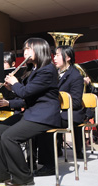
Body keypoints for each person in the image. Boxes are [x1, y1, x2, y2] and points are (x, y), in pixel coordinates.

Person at [0, 38, 61, 186]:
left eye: (29, 49)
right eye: (24, 49)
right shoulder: (33, 70)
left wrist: (15, 83)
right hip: (32, 113)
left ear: (40, 50)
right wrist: (11, 89)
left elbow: (25, 92)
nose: (25, 52)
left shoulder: (47, 70)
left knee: (9, 137)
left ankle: (23, 176)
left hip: (44, 116)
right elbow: (26, 96)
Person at [35, 45, 85, 176]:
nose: (54, 58)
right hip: (56, 112)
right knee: (34, 121)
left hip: (70, 115)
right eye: (54, 55)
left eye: (57, 55)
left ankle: (49, 165)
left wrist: (53, 105)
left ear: (67, 57)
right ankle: (33, 159)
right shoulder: (54, 73)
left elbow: (75, 102)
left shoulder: (76, 76)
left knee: (44, 124)